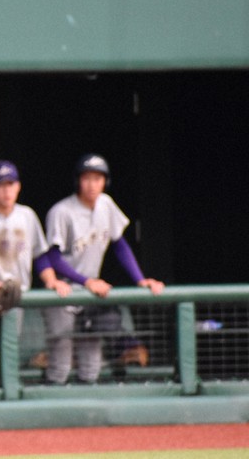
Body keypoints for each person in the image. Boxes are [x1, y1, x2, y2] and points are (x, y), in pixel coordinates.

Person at [43, 153, 164, 385]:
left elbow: (120, 244)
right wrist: (86, 281)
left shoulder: (106, 205)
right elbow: (53, 258)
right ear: (78, 180)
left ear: (105, 182)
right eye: (87, 178)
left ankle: (84, 419)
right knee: (61, 364)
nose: (92, 184)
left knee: (91, 366)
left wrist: (140, 279)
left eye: (97, 179)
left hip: (89, 292)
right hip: (60, 292)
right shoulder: (62, 211)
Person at [0, 160, 70, 387]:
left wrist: (51, 279)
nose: (7, 190)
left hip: (17, 296)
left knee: (8, 359)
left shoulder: (27, 215)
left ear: (18, 186)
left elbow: (40, 255)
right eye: (0, 185)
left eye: (11, 184)